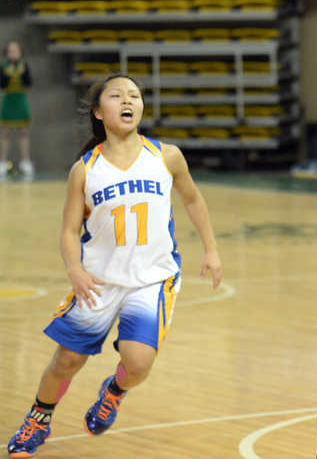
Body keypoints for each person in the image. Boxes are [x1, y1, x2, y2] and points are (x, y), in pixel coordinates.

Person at [5, 73, 223, 457]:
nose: (128, 100)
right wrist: (74, 269)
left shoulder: (166, 156)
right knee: (67, 359)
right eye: (117, 95)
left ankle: (114, 390)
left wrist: (211, 249)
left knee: (137, 364)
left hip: (152, 280)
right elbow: (70, 230)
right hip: (99, 280)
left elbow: (193, 200)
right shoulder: (85, 170)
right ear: (99, 112)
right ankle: (39, 417)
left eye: (135, 95)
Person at [0, 41, 32, 179]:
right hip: (8, 100)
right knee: (5, 132)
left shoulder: (24, 66)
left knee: (23, 131)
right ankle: (2, 162)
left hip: (21, 100)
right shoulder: (4, 67)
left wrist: (22, 73)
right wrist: (8, 75)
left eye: (16, 50)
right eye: (11, 51)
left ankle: (25, 161)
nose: (13, 53)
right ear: (7, 53)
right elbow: (2, 84)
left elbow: (29, 83)